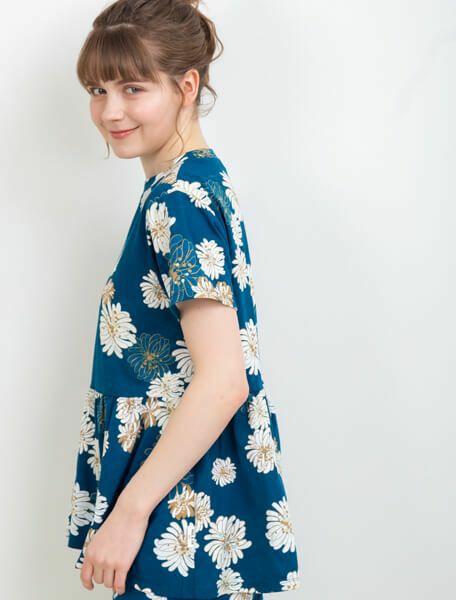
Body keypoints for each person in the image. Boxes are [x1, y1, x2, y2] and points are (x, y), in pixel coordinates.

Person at [65, 1, 301, 598]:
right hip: (189, 487)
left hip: (184, 504)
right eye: (98, 89)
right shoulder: (195, 182)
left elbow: (223, 381)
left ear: (186, 86)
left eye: (133, 88)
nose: (110, 111)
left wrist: (129, 513)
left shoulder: (179, 200)